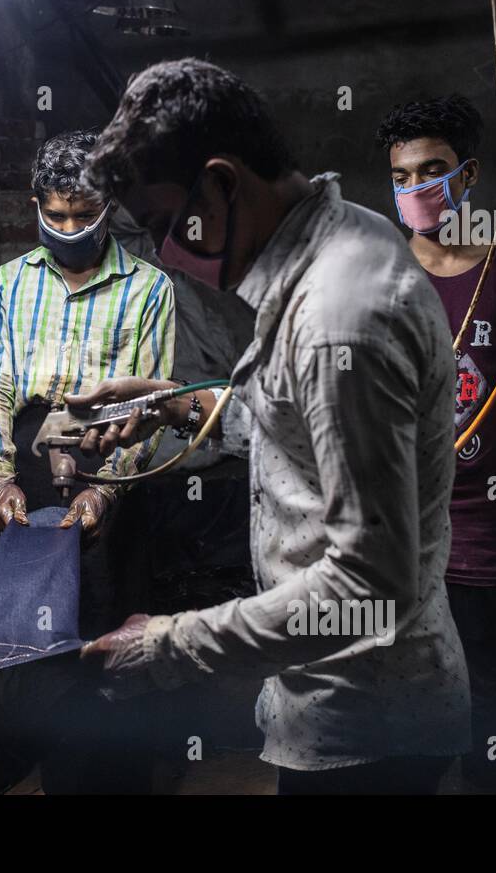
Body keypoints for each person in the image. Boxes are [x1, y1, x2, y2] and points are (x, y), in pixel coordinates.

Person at [69, 58, 471, 794]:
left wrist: (168, 646)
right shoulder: (341, 236)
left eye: (164, 225)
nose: (165, 252)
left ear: (222, 184)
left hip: (366, 721)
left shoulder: (338, 317)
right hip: (334, 698)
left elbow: (371, 587)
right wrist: (174, 403)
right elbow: (295, 423)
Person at [377, 94, 496, 790]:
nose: (415, 188)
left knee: (482, 688)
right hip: (394, 529)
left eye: (432, 170)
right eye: (401, 176)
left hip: (479, 524)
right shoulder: (379, 278)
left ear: (470, 173)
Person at [0, 128, 175, 572]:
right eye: (56, 216)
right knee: (14, 584)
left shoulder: (150, 290)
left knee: (98, 591)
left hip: (105, 455)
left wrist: (104, 490)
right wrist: (0, 480)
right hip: (27, 458)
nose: (70, 229)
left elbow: (149, 404)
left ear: (110, 206)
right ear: (37, 206)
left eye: (85, 216)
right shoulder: (6, 285)